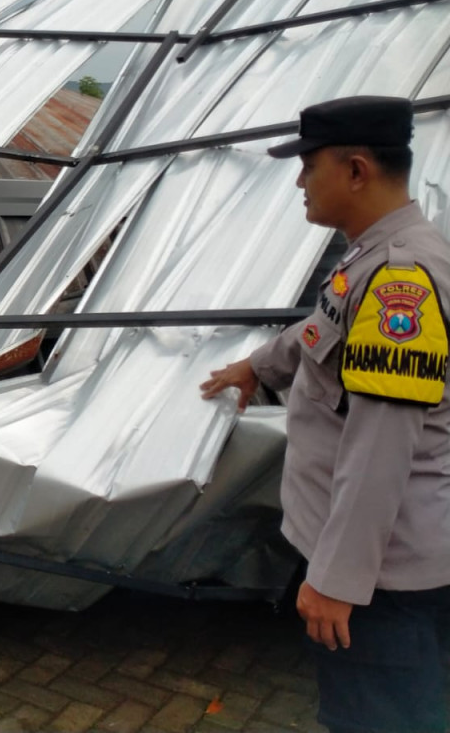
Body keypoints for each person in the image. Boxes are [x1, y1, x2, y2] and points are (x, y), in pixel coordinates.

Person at [201, 97, 450, 733]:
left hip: (382, 580)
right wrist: (259, 365)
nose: (299, 182)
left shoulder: (404, 281)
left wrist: (337, 581)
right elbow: (322, 331)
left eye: (309, 166)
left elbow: (380, 450)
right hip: (374, 565)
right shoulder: (371, 255)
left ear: (358, 170)